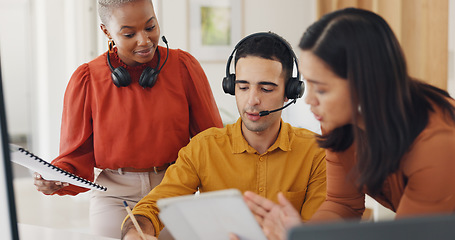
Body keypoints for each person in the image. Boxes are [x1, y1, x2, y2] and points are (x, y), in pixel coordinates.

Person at [242, 7, 455, 240]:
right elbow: (342, 205)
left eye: (321, 89)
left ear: (366, 85)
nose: (309, 99)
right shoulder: (339, 120)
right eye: (308, 84)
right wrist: (300, 233)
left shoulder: (438, 143)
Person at [33, 0, 223, 238]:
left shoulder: (183, 67)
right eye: (129, 33)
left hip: (172, 188)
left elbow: (210, 141)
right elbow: (75, 155)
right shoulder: (88, 79)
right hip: (114, 195)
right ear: (106, 31)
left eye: (150, 27)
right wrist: (56, 178)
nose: (144, 40)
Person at [120, 32, 327, 240]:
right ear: (231, 86)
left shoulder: (315, 153)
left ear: (290, 92)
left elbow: (318, 232)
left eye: (266, 88)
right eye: (243, 87)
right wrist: (134, 233)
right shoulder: (204, 148)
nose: (252, 100)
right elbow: (152, 208)